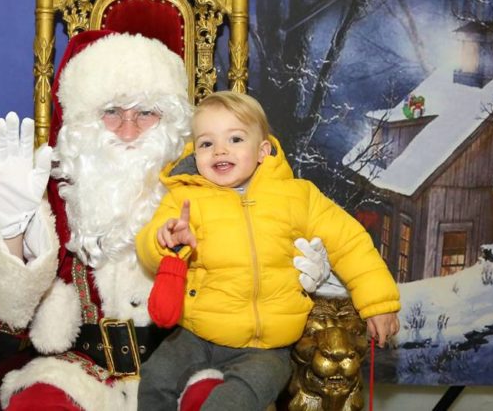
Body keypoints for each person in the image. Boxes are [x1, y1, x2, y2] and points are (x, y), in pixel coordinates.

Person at [0, 32, 331, 410]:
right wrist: (12, 230)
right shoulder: (52, 195)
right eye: (111, 113)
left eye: (145, 113)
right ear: (82, 123)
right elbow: (6, 328)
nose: (128, 131)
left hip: (192, 361)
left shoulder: (220, 186)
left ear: (171, 121)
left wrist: (306, 274)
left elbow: (269, 250)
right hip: (78, 369)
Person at [135, 91, 401, 410]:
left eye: (235, 139)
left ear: (262, 150)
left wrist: (378, 302)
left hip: (269, 345)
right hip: (198, 331)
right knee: (155, 377)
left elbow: (350, 242)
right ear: (195, 151)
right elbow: (148, 250)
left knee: (234, 400)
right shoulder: (186, 198)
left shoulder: (297, 196)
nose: (219, 149)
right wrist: (165, 239)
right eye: (206, 143)